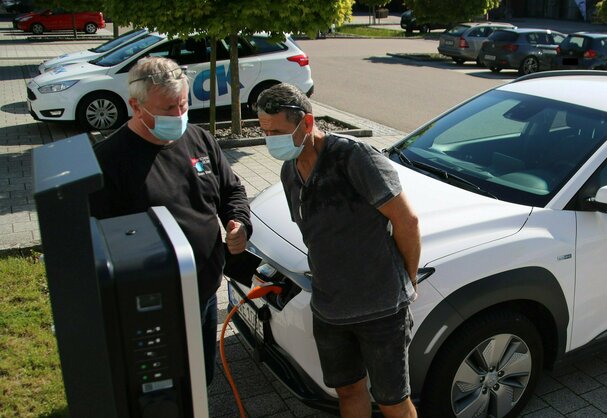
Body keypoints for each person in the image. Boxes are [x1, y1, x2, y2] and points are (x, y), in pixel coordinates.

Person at [255, 84, 420, 418]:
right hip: (330, 308)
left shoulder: (353, 157)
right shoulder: (290, 171)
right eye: (265, 131)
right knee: (347, 391)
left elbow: (407, 222)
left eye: (278, 131)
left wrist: (408, 279)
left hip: (380, 309)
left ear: (307, 122)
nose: (271, 139)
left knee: (392, 400)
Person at [89, 56, 251, 386]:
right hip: (156, 308)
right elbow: (102, 245)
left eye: (183, 105)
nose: (179, 116)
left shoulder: (198, 138)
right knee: (168, 392)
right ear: (136, 106)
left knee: (200, 382)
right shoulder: (108, 162)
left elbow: (230, 190)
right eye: (168, 109)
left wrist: (238, 223)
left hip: (204, 290)